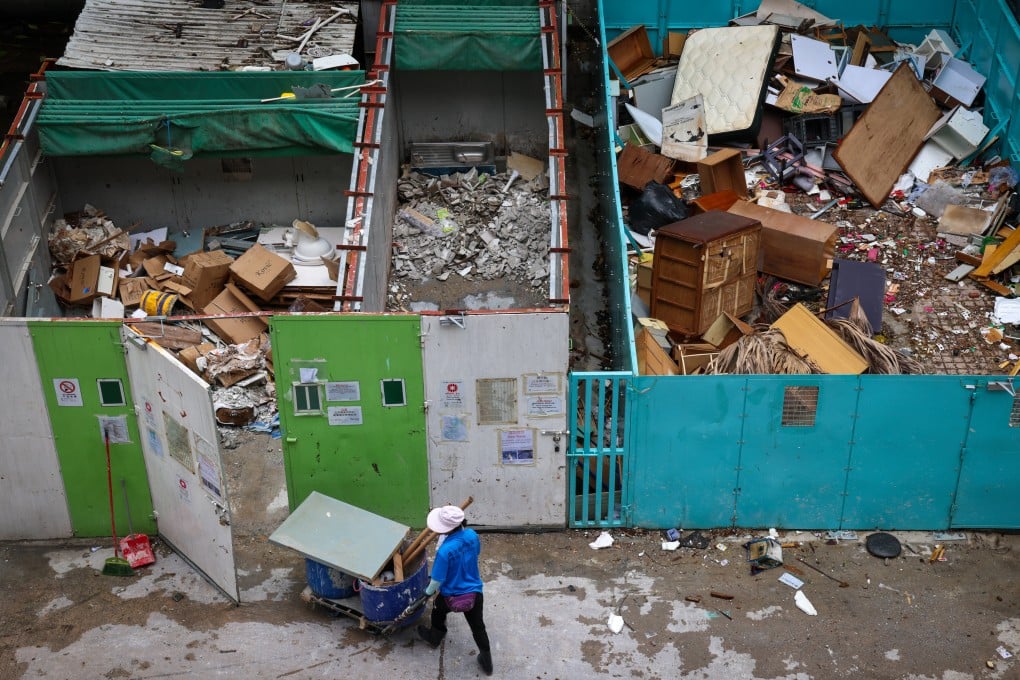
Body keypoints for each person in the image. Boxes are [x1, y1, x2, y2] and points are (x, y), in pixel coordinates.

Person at [417, 505, 492, 675]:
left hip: (451, 596)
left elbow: (437, 580)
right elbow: (476, 552)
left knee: (437, 612)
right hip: (475, 593)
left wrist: (426, 593)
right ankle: (487, 661)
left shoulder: (444, 551)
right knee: (478, 627)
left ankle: (435, 637)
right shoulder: (472, 535)